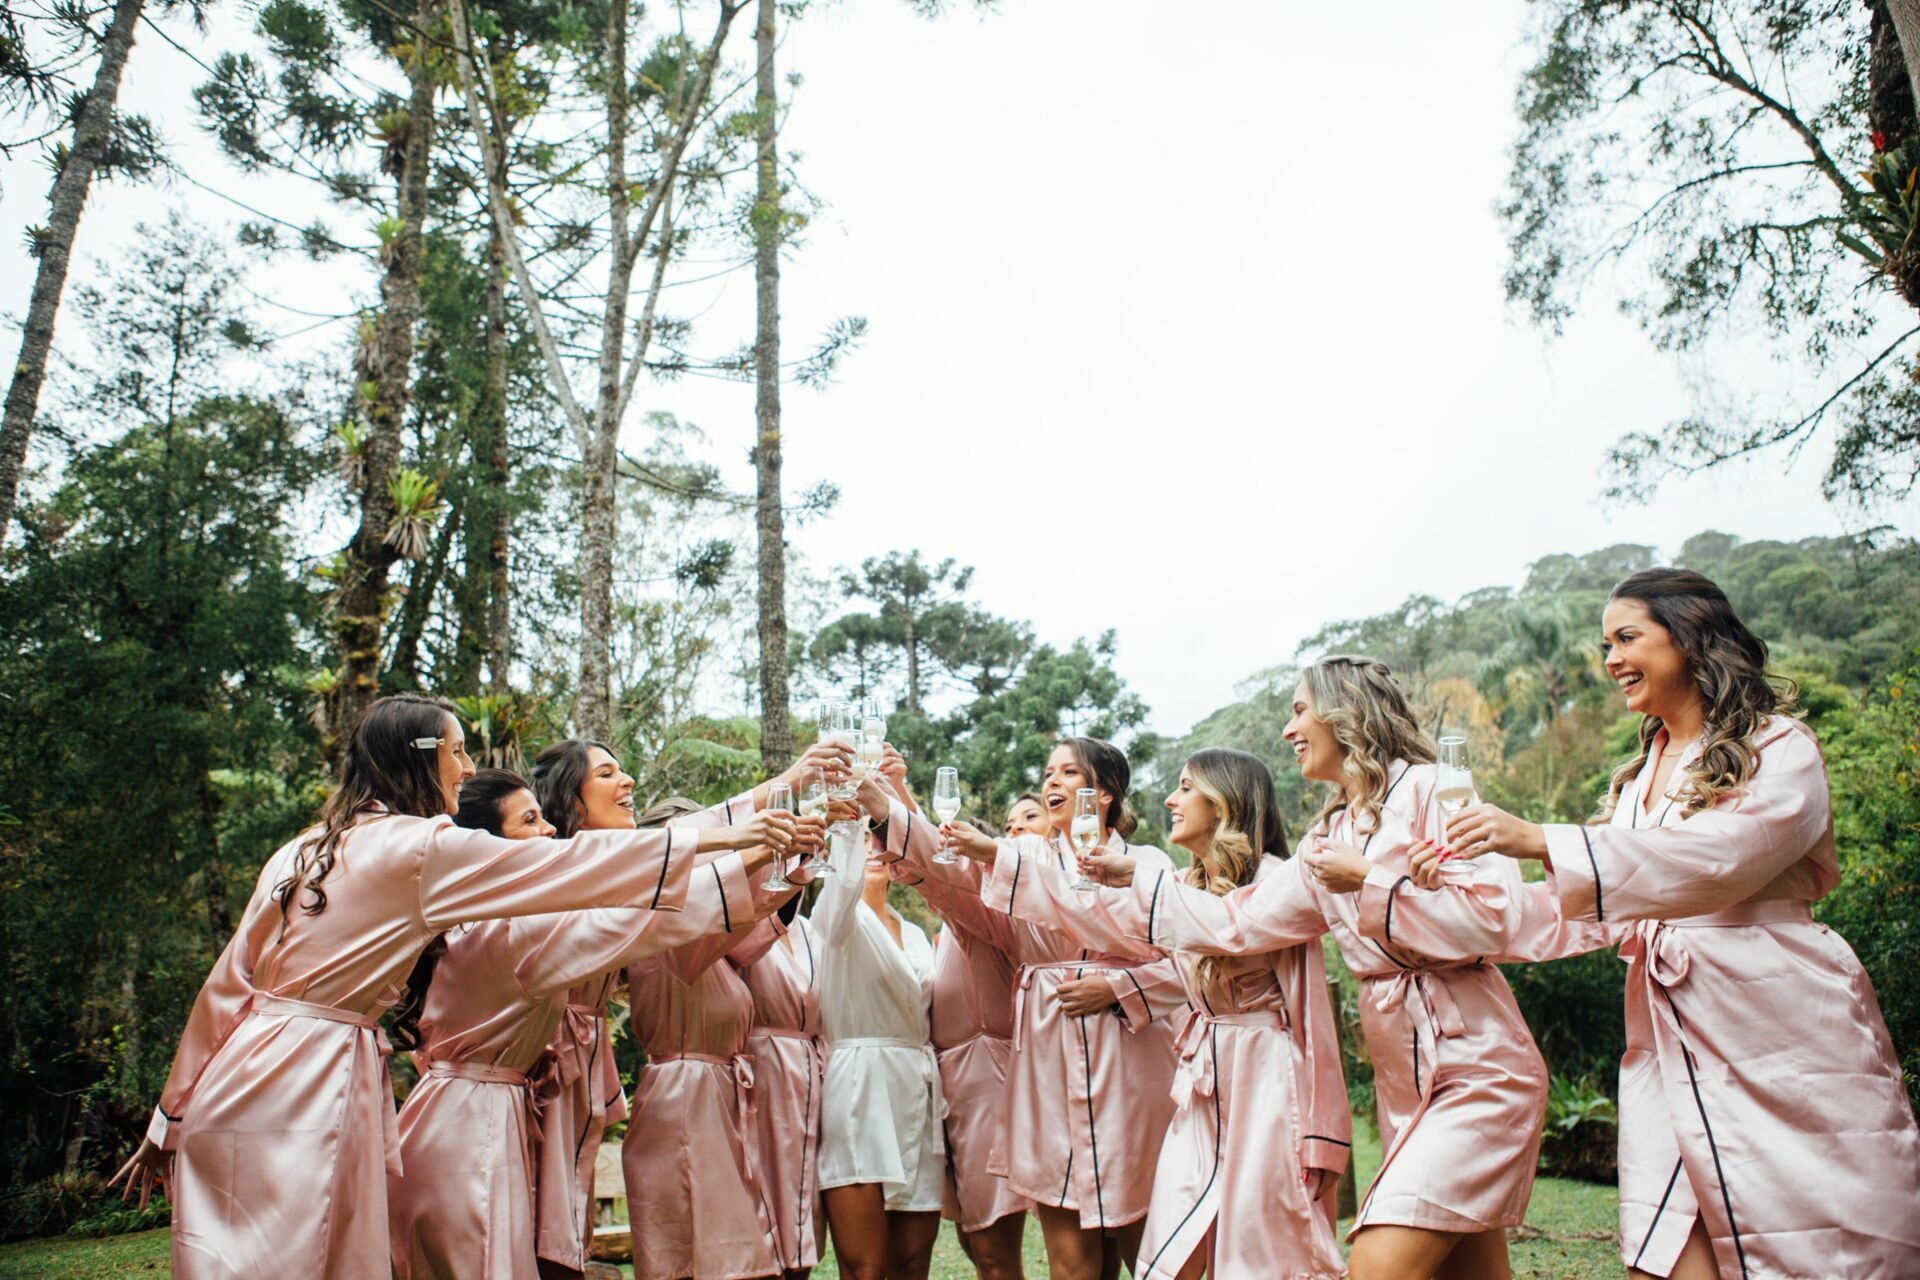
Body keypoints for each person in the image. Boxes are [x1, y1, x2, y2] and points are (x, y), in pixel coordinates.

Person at [109, 695, 792, 1280]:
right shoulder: (420, 846)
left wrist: (171, 1115)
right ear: (420, 755)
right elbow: (573, 864)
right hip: (310, 1079)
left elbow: (228, 984)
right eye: (458, 752)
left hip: (237, 1077)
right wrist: (730, 835)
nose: (466, 769)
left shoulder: (305, 846)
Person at [1435, 569, 1920, 1279]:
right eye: (1605, 644)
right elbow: (1578, 909)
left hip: (1778, 1025)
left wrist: (1544, 838)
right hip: (1665, 1045)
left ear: (1689, 638)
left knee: (1825, 1247)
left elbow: (1723, 859)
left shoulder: (1781, 747)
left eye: (1627, 638)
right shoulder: (1636, 782)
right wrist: (1429, 899)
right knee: (1660, 1258)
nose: (1610, 660)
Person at [1059, 662, 1553, 1280]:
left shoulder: (1433, 789)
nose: (1289, 726)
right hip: (1405, 1078)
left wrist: (1372, 880)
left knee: (1377, 1262)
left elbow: (1496, 915)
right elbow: (1239, 924)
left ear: (1346, 713)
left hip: (1480, 1066)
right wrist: (1139, 878)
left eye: (1299, 710)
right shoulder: (1331, 832)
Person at [947, 748, 1349, 1279]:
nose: (1169, 798)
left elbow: (1306, 1011)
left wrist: (1323, 1134)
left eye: (1185, 787)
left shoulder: (1277, 880)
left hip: (1266, 1087)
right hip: (1200, 1093)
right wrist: (996, 856)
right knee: (1165, 1257)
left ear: (1224, 800)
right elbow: (1078, 902)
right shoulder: (1181, 886)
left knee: (1263, 1253)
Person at [388, 770, 797, 1280]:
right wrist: (756, 850)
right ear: (488, 848)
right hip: (472, 1135)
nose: (550, 834)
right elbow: (646, 921)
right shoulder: (514, 934)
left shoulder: (475, 923)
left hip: (455, 1117)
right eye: (530, 821)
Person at [527, 738, 841, 1279]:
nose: (626, 781)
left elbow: (725, 920)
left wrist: (794, 856)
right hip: (549, 1073)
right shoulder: (569, 865)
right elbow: (689, 874)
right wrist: (781, 804)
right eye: (607, 773)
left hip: (606, 1086)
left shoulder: (627, 880)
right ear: (571, 801)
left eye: (625, 771)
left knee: (564, 1242)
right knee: (540, 1240)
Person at [878, 738, 1186, 1280]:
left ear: (1106, 794)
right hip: (1046, 1063)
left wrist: (1119, 989)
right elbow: (953, 877)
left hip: (1131, 1064)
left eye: (1069, 773)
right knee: (1069, 1254)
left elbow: (1187, 963)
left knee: (1150, 1249)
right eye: (1047, 773)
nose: (1051, 783)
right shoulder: (1022, 861)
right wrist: (883, 801)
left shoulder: (1147, 864)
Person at [621, 795, 795, 1280]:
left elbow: (749, 933)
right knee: (698, 1257)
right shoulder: (664, 923)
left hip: (712, 1096)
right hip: (684, 1097)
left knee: (730, 1256)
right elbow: (730, 922)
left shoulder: (709, 941)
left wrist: (797, 872)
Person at [884, 772, 1032, 1280]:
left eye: (1027, 822)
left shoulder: (994, 910)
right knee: (973, 1239)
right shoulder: (945, 932)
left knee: (992, 1246)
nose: (1017, 831)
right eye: (1010, 824)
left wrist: (897, 796)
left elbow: (937, 866)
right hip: (950, 1088)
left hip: (985, 1081)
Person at [812, 775, 948, 1280]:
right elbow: (841, 886)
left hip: (917, 1087)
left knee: (913, 1261)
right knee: (866, 1268)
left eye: (879, 836)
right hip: (859, 1086)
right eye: (863, 838)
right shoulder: (833, 920)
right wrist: (848, 823)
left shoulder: (914, 932)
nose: (872, 847)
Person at [737, 889, 826, 1279]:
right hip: (760, 1077)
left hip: (812, 1080)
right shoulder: (740, 926)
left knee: (802, 1213)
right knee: (763, 1208)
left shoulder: (811, 930)